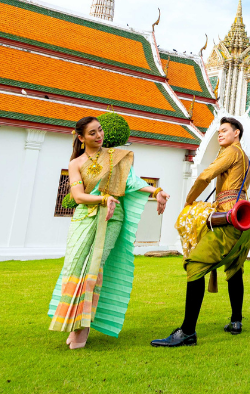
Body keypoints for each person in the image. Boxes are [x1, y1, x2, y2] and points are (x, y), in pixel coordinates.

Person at [48, 116, 170, 349]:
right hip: (84, 219)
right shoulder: (76, 163)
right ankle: (72, 323)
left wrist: (157, 192)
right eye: (93, 132)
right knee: (75, 267)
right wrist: (103, 197)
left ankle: (83, 328)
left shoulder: (116, 157)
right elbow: (78, 197)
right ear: (81, 137)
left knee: (94, 267)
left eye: (100, 130)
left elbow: (133, 183)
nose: (99, 135)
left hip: (112, 218)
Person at [151, 117, 250, 347]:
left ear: (237, 133)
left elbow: (205, 175)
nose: (220, 135)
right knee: (235, 268)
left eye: (225, 130)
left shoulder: (231, 152)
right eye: (218, 131)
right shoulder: (245, 158)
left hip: (229, 218)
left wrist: (188, 200)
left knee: (196, 264)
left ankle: (187, 331)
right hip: (245, 219)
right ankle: (236, 321)